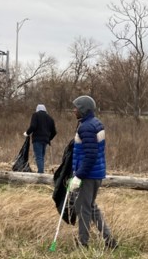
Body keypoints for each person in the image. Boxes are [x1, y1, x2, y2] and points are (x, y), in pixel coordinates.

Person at [67, 95, 117, 249]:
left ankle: (83, 243)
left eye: (76, 107)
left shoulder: (87, 127)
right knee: (91, 206)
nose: (74, 110)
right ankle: (109, 240)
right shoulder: (95, 123)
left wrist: (78, 176)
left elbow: (90, 155)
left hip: (88, 175)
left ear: (83, 109)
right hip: (95, 173)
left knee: (83, 209)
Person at [24, 103, 57, 174]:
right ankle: (41, 171)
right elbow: (54, 132)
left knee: (38, 157)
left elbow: (33, 126)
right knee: (41, 156)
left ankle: (40, 173)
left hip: (37, 139)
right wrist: (49, 138)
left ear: (37, 109)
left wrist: (27, 133)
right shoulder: (50, 118)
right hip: (45, 140)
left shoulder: (35, 115)